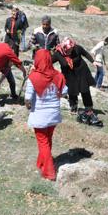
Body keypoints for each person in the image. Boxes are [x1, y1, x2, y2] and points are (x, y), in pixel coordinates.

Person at [24, 50, 67, 181]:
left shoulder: (33, 77)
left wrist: (28, 105)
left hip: (40, 115)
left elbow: (27, 98)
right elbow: (65, 92)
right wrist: (55, 96)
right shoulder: (58, 75)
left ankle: (49, 172)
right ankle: (41, 163)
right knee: (48, 140)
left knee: (43, 142)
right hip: (53, 114)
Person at [52, 38, 96, 117]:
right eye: (69, 49)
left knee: (84, 89)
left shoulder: (77, 48)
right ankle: (73, 107)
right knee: (72, 91)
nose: (71, 51)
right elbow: (49, 61)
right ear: (64, 48)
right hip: (69, 74)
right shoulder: (58, 53)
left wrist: (93, 61)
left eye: (71, 49)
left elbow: (85, 53)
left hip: (81, 71)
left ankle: (88, 108)